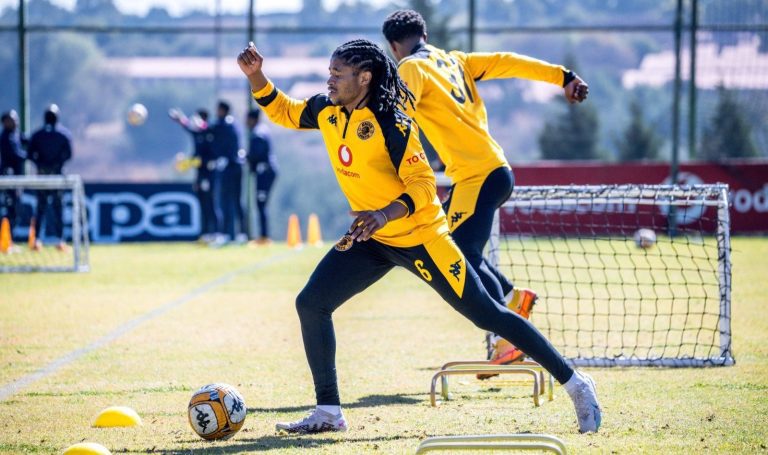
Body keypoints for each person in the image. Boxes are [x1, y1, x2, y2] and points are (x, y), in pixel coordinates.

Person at [237, 38, 601, 434]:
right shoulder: (326, 110)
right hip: (374, 239)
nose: (329, 80)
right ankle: (328, 412)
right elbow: (284, 112)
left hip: (423, 236)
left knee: (489, 315)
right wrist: (257, 76)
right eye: (329, 73)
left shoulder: (393, 122)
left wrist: (382, 213)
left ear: (364, 77)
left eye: (337, 74)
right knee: (311, 303)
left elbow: (424, 186)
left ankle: (576, 384)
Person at [382, 9, 590, 375]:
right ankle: (512, 299)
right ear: (424, 34)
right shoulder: (456, 61)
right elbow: (509, 62)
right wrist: (564, 77)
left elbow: (399, 121)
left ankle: (509, 326)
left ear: (394, 46)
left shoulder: (409, 69)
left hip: (475, 176)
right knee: (456, 249)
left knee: (457, 253)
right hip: (495, 169)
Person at [170, 108, 218, 242]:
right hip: (200, 175)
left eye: (198, 118)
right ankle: (204, 233)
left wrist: (186, 163)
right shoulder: (197, 134)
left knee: (211, 204)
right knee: (202, 204)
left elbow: (207, 159)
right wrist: (180, 119)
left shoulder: (210, 134)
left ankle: (215, 233)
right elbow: (188, 126)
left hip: (209, 175)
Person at [28, 104, 72, 251]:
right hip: (57, 177)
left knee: (40, 208)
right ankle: (60, 241)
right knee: (58, 209)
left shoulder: (37, 134)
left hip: (42, 176)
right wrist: (56, 165)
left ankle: (37, 241)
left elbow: (30, 154)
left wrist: (41, 165)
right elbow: (68, 155)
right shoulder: (63, 134)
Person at [209, 100, 246, 246]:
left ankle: (225, 234)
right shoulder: (233, 124)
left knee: (226, 201)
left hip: (229, 167)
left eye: (218, 110)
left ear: (223, 110)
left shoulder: (223, 124)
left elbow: (209, 130)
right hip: (236, 166)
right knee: (237, 201)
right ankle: (241, 234)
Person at [245, 108, 277, 245]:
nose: (246, 122)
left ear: (253, 119)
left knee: (261, 204)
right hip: (266, 171)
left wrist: (245, 156)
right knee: (261, 204)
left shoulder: (258, 133)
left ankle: (264, 237)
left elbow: (256, 154)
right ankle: (263, 236)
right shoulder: (263, 130)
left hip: (264, 172)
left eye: (247, 119)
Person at [0, 109, 27, 233]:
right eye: (12, 120)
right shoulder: (5, 138)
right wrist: (30, 155)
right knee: (9, 208)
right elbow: (15, 155)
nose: (15, 122)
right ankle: (6, 239)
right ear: (5, 122)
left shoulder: (15, 135)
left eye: (16, 119)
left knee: (15, 209)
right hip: (8, 179)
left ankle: (9, 240)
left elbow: (28, 140)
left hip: (15, 179)